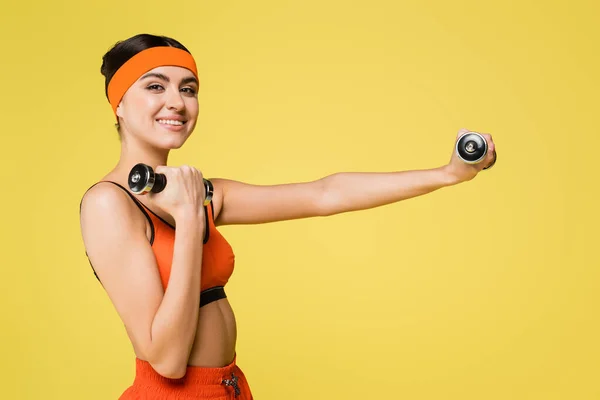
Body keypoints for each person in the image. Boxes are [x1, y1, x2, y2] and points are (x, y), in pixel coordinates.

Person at [79, 33, 496, 400]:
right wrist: (189, 221)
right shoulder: (109, 204)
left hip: (230, 388)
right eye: (156, 86)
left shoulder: (198, 193)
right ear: (118, 104)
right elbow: (167, 361)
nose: (177, 101)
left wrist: (448, 175)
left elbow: (324, 194)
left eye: (189, 88)